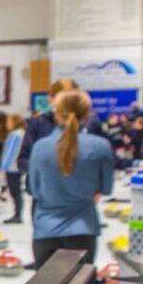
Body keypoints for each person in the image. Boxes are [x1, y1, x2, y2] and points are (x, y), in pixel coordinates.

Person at [25, 91, 113, 270]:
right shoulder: (100, 147)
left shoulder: (40, 147)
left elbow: (34, 189)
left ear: (56, 112)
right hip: (83, 229)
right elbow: (107, 188)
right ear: (87, 113)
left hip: (45, 231)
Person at [0, 115, 26, 224]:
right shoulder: (22, 133)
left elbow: (10, 152)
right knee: (16, 191)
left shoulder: (15, 135)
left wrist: (3, 167)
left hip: (13, 167)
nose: (7, 124)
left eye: (9, 122)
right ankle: (17, 213)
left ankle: (18, 215)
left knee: (15, 191)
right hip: (17, 166)